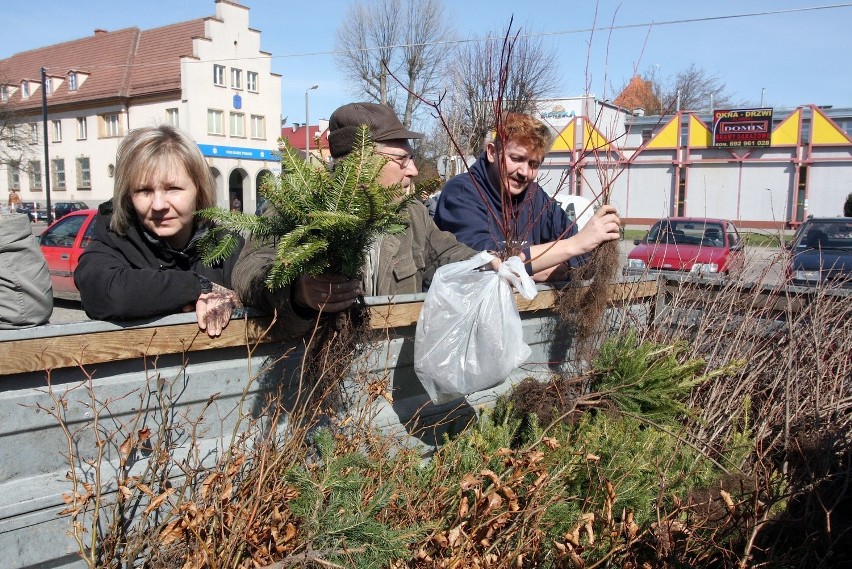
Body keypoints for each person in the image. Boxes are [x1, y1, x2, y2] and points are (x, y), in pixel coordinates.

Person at [232, 103, 619, 338]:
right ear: (362, 162)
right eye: (401, 161)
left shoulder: (412, 215)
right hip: (308, 384)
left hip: (384, 380)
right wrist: (299, 292)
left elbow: (451, 253)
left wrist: (499, 265)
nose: (414, 170)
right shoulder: (296, 208)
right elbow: (249, 270)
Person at [74, 125, 243, 337]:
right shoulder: (114, 238)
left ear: (199, 190)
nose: (159, 205)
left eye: (173, 189)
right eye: (144, 190)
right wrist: (198, 287)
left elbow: (265, 288)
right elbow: (104, 292)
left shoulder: (226, 245)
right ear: (128, 196)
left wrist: (235, 299)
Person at [434, 112, 619, 282]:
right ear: (492, 152)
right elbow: (488, 265)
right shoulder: (462, 193)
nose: (524, 172)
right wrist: (573, 246)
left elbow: (584, 261)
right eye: (516, 159)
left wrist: (530, 268)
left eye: (533, 164)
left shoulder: (535, 197)